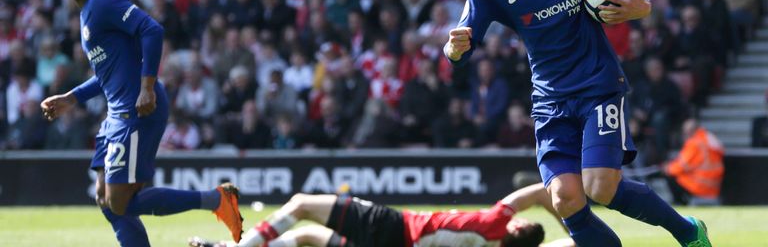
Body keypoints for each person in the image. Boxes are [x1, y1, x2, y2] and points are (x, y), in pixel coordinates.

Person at [443, 0, 711, 247]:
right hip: (550, 100)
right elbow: (460, 45)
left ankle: (687, 231)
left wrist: (637, 7)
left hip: (598, 86)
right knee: (565, 198)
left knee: (601, 186)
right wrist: (454, 48)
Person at [34, 0, 243, 246]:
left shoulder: (103, 0)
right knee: (106, 200)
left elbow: (152, 29)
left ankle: (218, 200)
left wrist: (147, 86)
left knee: (121, 202)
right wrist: (72, 97)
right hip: (116, 113)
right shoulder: (86, 10)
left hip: (136, 109)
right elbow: (109, 74)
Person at [189, 182, 575, 247]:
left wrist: (572, 224)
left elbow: (542, 192)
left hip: (394, 226)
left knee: (302, 204)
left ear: (517, 227)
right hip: (395, 244)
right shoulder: (499, 243)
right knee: (307, 238)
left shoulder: (496, 221)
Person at [663, 118, 725, 205]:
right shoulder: (709, 138)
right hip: (714, 186)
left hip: (700, 185)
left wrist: (667, 168)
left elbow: (681, 166)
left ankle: (680, 204)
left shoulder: (694, 143)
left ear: (690, 131)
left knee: (670, 175)